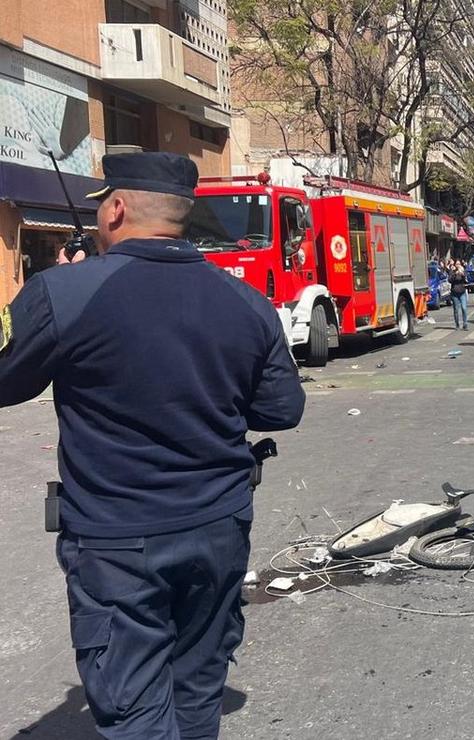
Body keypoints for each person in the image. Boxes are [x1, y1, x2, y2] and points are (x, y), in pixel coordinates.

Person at [0, 152, 305, 738]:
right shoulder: (245, 301)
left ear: (115, 209)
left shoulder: (63, 293)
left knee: (136, 709)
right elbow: (281, 410)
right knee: (195, 693)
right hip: (218, 529)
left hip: (118, 542)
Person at [448, 259, 470, 330]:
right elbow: (450, 280)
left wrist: (463, 274)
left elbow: (466, 281)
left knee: (464, 308)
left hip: (462, 292)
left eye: (459, 264)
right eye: (456, 264)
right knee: (456, 310)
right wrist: (455, 273)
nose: (458, 265)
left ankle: (465, 324)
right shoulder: (452, 271)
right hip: (455, 293)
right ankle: (457, 324)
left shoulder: (462, 271)